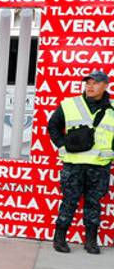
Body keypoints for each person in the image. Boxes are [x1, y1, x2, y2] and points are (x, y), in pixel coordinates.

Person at [48, 70, 114, 254]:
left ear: (105, 85)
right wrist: (61, 145)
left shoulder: (112, 108)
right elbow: (53, 126)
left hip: (99, 165)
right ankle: (59, 239)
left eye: (95, 83)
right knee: (69, 201)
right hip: (73, 164)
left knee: (94, 203)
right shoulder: (70, 104)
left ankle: (91, 242)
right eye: (88, 83)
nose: (90, 86)